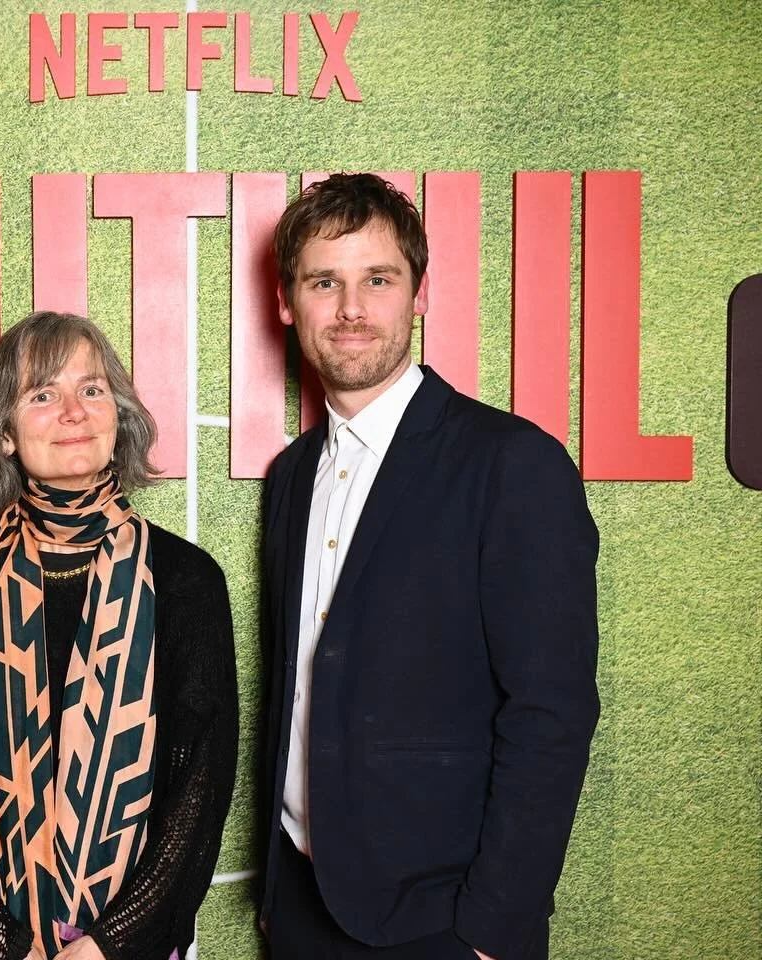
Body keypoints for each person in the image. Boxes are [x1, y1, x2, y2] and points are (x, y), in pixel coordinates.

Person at [257, 173, 600, 960]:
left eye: (377, 279)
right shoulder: (291, 476)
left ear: (418, 293)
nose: (351, 309)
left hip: (443, 922)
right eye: (324, 282)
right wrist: (278, 898)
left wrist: (494, 927)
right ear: (287, 302)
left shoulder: (511, 464)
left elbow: (551, 710)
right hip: (304, 909)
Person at [0, 311, 237, 960]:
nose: (74, 411)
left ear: (120, 417)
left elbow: (201, 785)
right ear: (3, 436)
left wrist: (108, 945)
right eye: (43, 394)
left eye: (93, 389)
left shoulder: (189, 582)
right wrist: (6, 944)